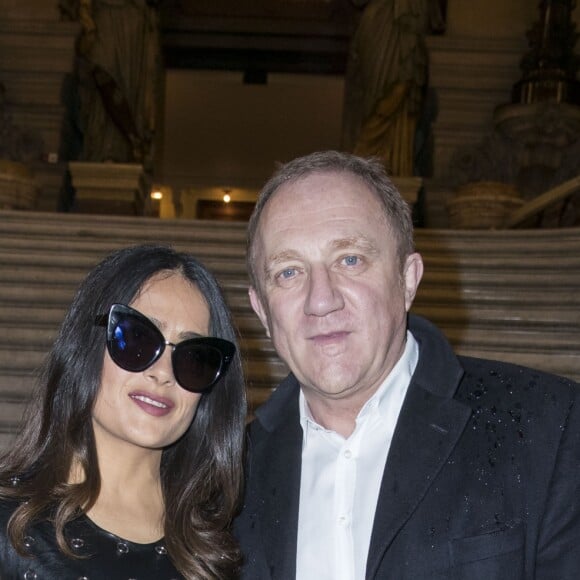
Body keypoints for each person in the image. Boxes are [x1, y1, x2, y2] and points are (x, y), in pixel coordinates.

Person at [234, 150, 580, 579]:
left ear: (407, 280)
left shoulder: (551, 426)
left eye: (350, 260)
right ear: (263, 310)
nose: (321, 300)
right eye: (288, 272)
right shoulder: (231, 475)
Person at [0, 244, 246, 579]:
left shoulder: (219, 539)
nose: (163, 372)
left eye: (194, 357)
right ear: (85, 347)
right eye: (137, 338)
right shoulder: (11, 523)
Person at [341, 0, 429, 176]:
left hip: (408, 19)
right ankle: (364, 154)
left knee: (403, 86)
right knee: (378, 96)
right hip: (380, 21)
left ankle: (390, 160)